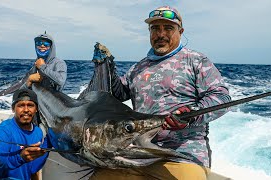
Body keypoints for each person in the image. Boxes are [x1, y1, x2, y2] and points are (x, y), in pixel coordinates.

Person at [90, 6, 231, 180]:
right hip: (138, 153)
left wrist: (192, 114)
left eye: (168, 28)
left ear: (180, 31)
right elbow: (117, 94)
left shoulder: (196, 60)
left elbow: (221, 97)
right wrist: (105, 66)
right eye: (155, 28)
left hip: (183, 155)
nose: (161, 34)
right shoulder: (138, 68)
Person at [0, 89, 49, 180]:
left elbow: (32, 169)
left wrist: (49, 142)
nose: (26, 110)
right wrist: (21, 157)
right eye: (21, 105)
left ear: (36, 109)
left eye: (30, 105)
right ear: (13, 109)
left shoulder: (38, 132)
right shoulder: (3, 131)